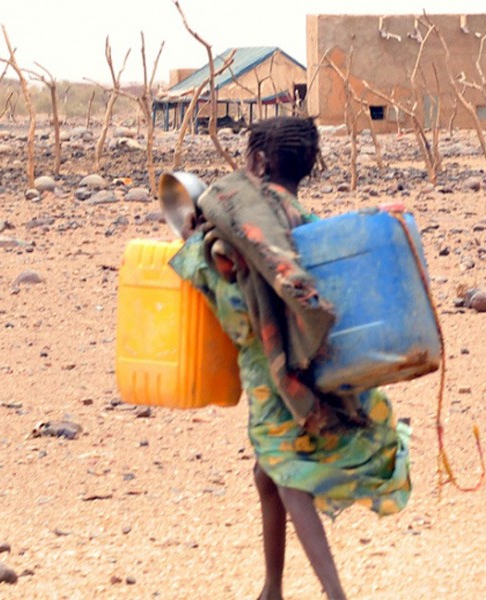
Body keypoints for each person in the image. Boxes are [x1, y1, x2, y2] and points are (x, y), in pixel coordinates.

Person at [170, 116, 411, 600]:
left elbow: (213, 283)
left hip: (272, 372)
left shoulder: (233, 229)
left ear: (257, 162)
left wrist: (192, 239)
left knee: (285, 473)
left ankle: (333, 593)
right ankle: (272, 587)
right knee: (267, 473)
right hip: (318, 363)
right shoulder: (306, 226)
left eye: (247, 157)